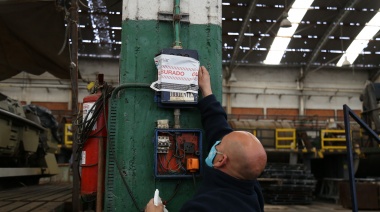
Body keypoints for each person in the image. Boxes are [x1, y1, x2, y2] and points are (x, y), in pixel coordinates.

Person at [145, 66, 267, 212]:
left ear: (222, 160)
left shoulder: (207, 207)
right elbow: (219, 128)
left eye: (219, 145)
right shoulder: (250, 186)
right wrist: (207, 91)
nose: (217, 142)